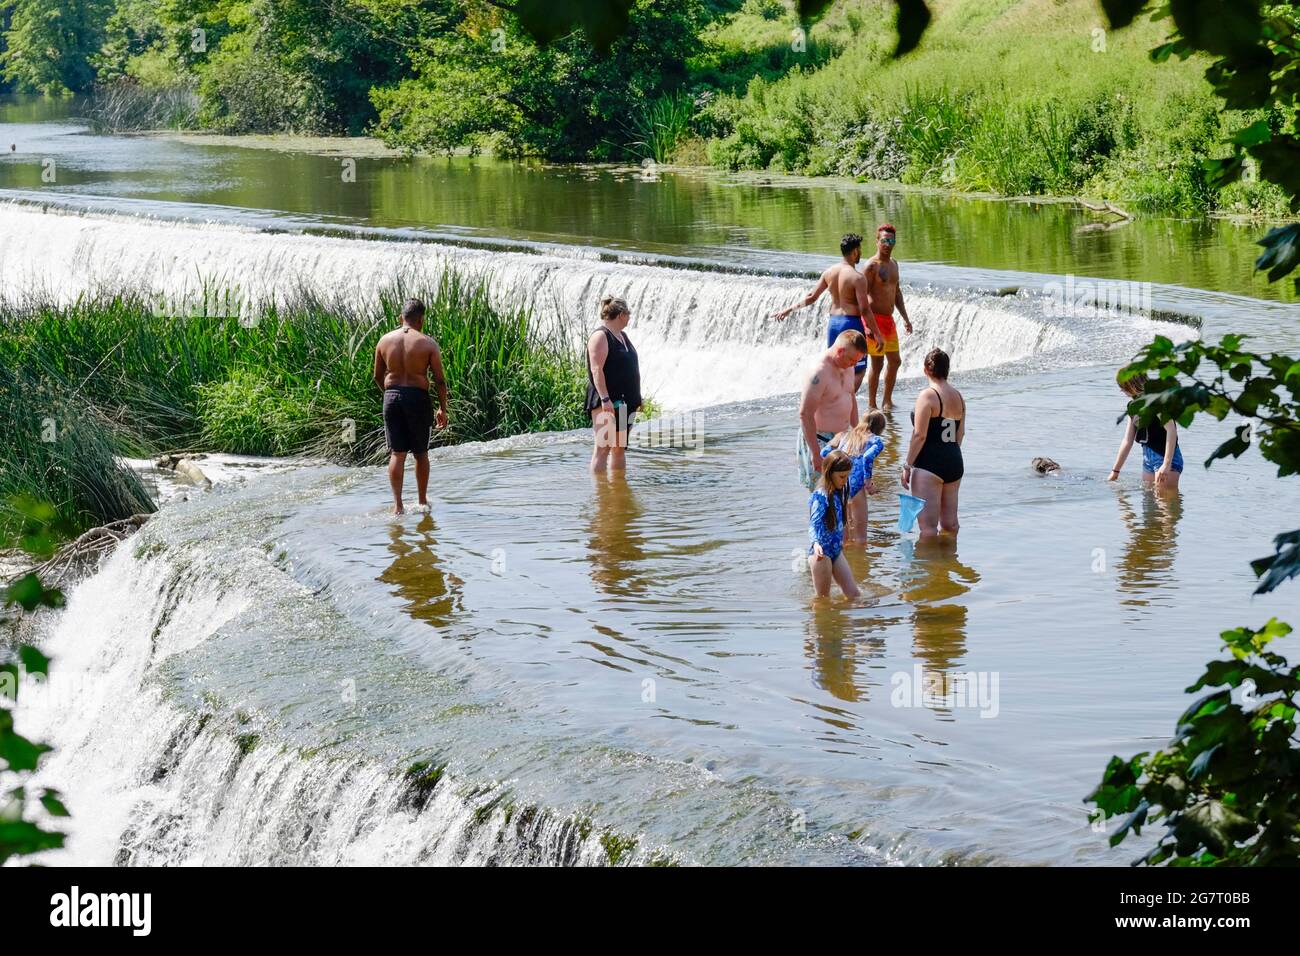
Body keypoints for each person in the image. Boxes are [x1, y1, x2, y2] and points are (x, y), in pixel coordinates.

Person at [773, 234, 882, 393]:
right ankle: (845, 401)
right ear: (854, 252)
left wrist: (789, 309)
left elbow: (811, 297)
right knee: (858, 368)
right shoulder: (857, 278)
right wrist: (877, 334)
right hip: (851, 324)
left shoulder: (829, 272)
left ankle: (833, 399)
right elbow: (865, 309)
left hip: (834, 324)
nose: (860, 253)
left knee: (836, 365)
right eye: (859, 250)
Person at [374, 298, 449, 515]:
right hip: (417, 398)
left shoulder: (384, 340)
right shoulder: (428, 343)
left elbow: (377, 376)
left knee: (397, 453)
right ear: (421, 320)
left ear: (401, 318)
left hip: (392, 396)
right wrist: (442, 408)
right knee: (420, 453)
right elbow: (439, 381)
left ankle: (398, 506)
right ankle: (422, 502)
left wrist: (391, 395)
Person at [901, 348, 964, 538]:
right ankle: (949, 562)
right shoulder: (958, 396)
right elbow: (960, 434)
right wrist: (948, 455)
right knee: (950, 524)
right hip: (954, 461)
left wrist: (907, 466)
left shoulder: (927, 396)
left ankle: (932, 568)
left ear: (926, 369)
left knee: (928, 529)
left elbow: (919, 435)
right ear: (947, 370)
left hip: (929, 464)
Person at [797, 329, 869, 490]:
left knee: (845, 494)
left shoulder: (848, 366)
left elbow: (850, 397)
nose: (854, 365)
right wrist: (815, 453)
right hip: (820, 440)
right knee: (822, 495)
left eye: (857, 361)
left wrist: (857, 431)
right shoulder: (819, 372)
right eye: (852, 360)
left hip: (842, 438)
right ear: (840, 351)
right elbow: (805, 413)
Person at [586, 295, 642, 472]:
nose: (629, 318)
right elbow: (597, 370)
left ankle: (617, 494)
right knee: (603, 448)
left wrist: (638, 397)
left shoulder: (623, 336)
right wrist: (605, 399)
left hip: (627, 402)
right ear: (621, 315)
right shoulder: (601, 336)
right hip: (607, 402)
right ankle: (601, 496)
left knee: (619, 449)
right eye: (628, 314)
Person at [808, 449, 874, 599]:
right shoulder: (820, 497)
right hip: (821, 554)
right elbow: (813, 524)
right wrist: (815, 543)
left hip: (836, 552)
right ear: (829, 473)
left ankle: (852, 618)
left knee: (854, 594)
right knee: (823, 600)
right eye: (842, 477)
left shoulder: (840, 491)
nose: (845, 481)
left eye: (847, 476)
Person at [862, 223, 914, 411]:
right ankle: (872, 404)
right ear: (877, 241)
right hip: (874, 320)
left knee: (895, 361)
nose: (888, 244)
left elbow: (897, 292)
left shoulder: (894, 264)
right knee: (877, 364)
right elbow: (862, 297)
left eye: (891, 240)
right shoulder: (871, 266)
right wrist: (867, 325)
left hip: (889, 321)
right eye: (884, 240)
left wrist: (905, 318)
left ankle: (887, 401)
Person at [1108, 372, 1182, 494]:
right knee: (1150, 506)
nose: (1121, 391)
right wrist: (1115, 471)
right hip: (1148, 458)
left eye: (1122, 387)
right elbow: (1127, 441)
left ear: (1132, 385)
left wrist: (1166, 464)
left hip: (1165, 457)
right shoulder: (1132, 406)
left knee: (1166, 505)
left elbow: (1171, 430)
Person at [824, 409, 888, 542]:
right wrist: (868, 482)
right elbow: (868, 457)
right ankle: (860, 560)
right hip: (856, 483)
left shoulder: (844, 435)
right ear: (880, 429)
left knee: (844, 532)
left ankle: (846, 559)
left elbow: (824, 453)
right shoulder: (876, 440)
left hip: (837, 481)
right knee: (860, 537)